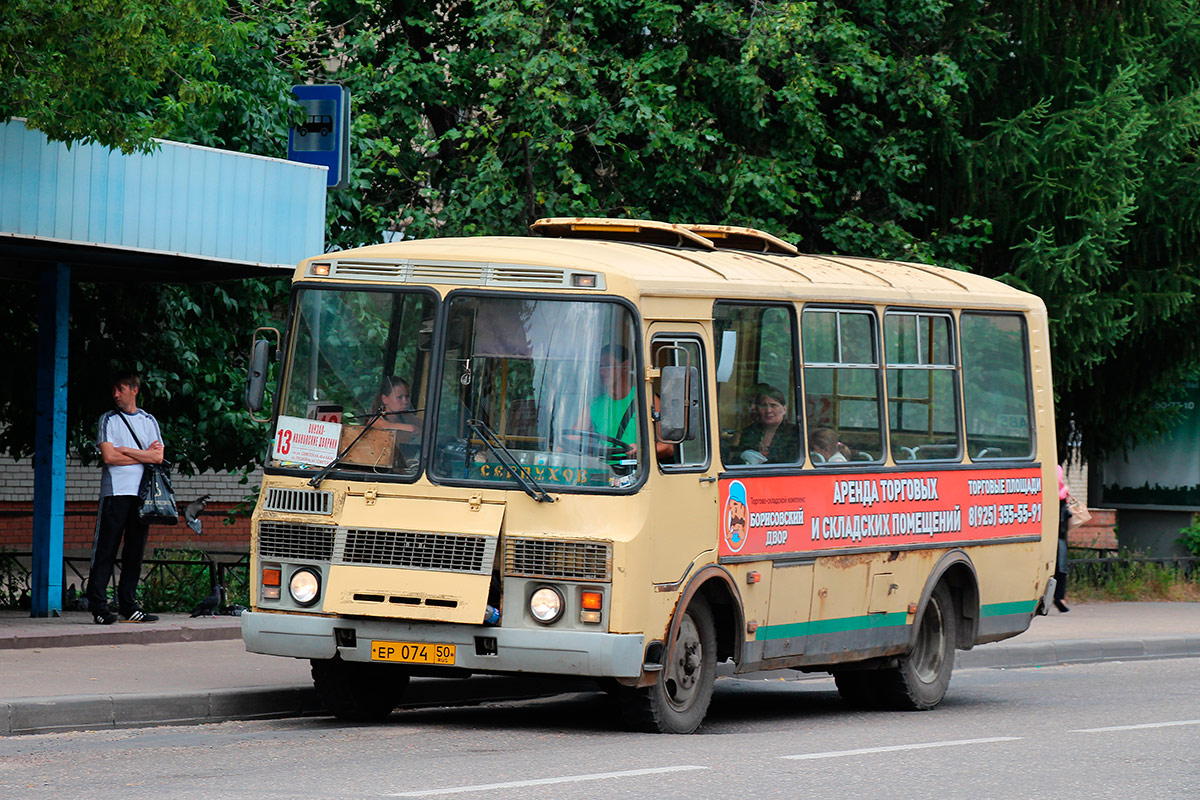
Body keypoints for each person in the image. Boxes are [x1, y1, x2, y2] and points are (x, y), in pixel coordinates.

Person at [87, 373, 163, 625]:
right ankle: (99, 607)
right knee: (105, 550)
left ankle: (128, 605)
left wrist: (127, 450)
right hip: (116, 492)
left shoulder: (148, 420)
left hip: (141, 495)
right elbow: (109, 457)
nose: (116, 395)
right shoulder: (109, 419)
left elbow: (158, 458)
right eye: (114, 390)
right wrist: (143, 455)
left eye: (120, 389)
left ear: (134, 390)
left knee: (134, 551)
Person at [736, 385, 800, 463]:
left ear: (784, 410)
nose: (768, 410)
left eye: (773, 405)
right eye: (763, 406)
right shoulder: (749, 432)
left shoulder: (795, 433)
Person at [1055, 464, 1071, 613]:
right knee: (1061, 565)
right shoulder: (1061, 495)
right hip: (1058, 534)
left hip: (1054, 534)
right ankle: (1059, 597)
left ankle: (1058, 597)